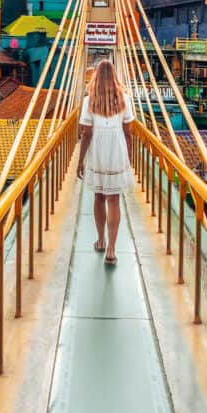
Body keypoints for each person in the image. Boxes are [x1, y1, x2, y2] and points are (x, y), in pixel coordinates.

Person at [77, 59, 135, 266]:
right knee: (114, 199)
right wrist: (129, 156)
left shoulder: (88, 101)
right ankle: (112, 249)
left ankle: (101, 241)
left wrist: (80, 160)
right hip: (117, 149)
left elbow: (86, 133)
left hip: (98, 151)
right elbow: (128, 132)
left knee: (99, 197)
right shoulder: (124, 99)